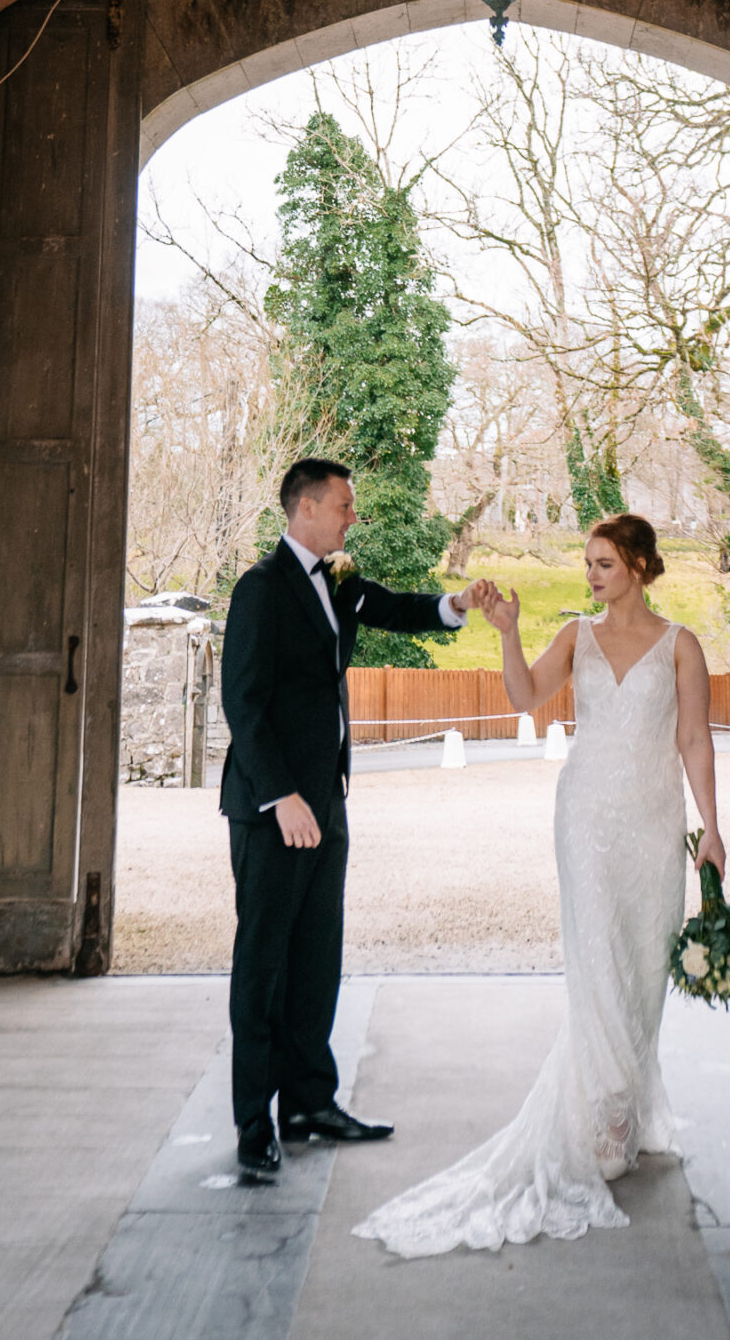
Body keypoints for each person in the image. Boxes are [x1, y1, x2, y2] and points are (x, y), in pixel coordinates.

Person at [353, 511, 724, 1256]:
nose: (591, 576)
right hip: (585, 819)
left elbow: (692, 737)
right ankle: (602, 1124)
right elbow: (524, 699)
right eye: (587, 563)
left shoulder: (681, 645)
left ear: (641, 568)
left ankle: (626, 1107)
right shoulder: (575, 637)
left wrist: (711, 827)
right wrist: (507, 631)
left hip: (653, 822)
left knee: (645, 965)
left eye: (605, 565)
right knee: (596, 965)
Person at [219, 455, 493, 1185]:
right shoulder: (258, 590)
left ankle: (309, 1103)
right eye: (343, 505)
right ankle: (254, 1121)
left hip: (326, 803)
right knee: (263, 966)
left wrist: (457, 603)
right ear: (305, 508)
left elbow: (396, 607)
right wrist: (283, 798)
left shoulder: (338, 582)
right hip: (272, 810)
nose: (351, 517)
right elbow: (241, 706)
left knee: (316, 959)